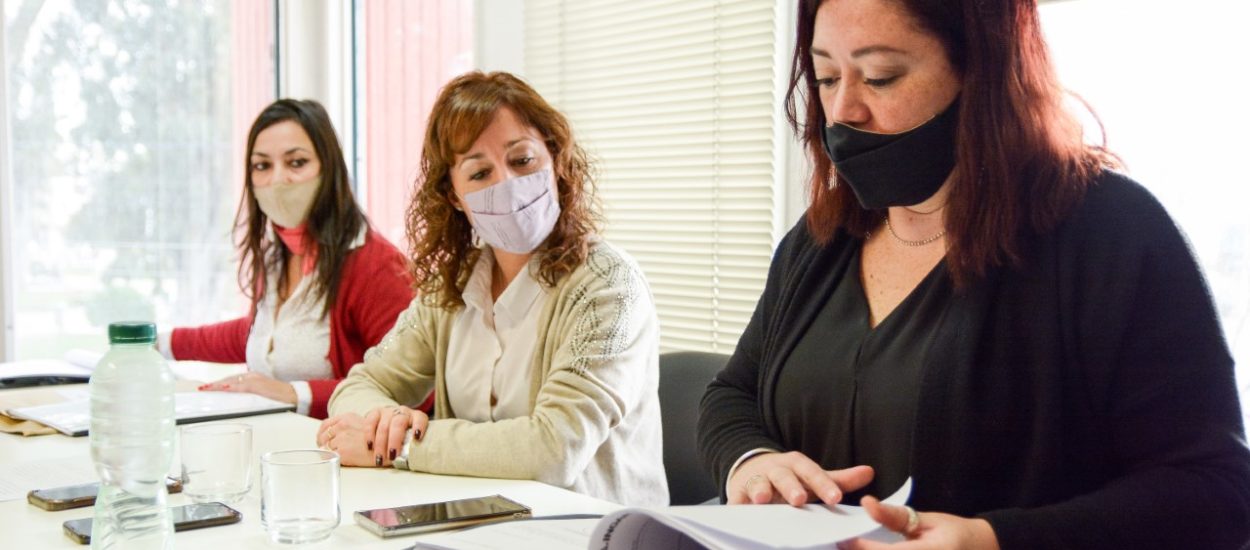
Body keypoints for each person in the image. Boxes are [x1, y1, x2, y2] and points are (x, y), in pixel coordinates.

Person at [697, 0, 1250, 548]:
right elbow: (732, 392)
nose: (844, 110)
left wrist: (991, 540)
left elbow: (1215, 491)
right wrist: (752, 460)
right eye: (825, 76)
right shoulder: (823, 237)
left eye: (881, 77)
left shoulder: (1110, 231)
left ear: (982, 71)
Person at [316, 71, 668, 507]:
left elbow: (554, 450)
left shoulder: (609, 287)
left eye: (522, 161)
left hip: (588, 530)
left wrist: (404, 446)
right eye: (480, 172)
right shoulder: (453, 286)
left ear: (555, 160)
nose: (505, 184)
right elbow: (361, 385)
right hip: (473, 525)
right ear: (454, 197)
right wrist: (385, 423)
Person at [163, 99, 414, 420]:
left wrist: (293, 394)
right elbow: (265, 336)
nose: (277, 180)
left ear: (328, 167)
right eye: (262, 166)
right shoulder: (275, 255)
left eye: (296, 163)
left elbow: (410, 390)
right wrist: (162, 343)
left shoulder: (374, 265)